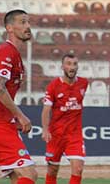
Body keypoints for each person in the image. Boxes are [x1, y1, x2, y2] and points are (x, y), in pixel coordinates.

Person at [0, 9, 37, 184]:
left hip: (1, 121)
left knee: (18, 177)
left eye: (28, 22)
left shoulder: (13, 54)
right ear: (9, 28)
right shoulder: (6, 51)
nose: (28, 26)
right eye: (23, 22)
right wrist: (19, 115)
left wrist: (12, 116)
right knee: (29, 174)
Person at [42, 54, 89, 184]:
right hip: (56, 135)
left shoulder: (84, 83)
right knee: (52, 170)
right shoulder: (53, 86)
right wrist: (45, 130)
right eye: (68, 64)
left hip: (74, 135)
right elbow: (46, 110)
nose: (72, 67)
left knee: (78, 169)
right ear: (62, 66)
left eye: (74, 64)